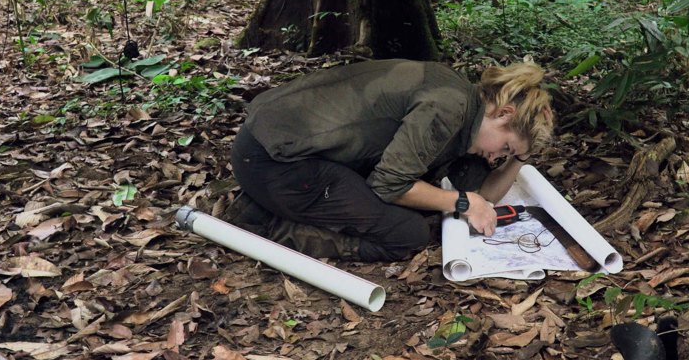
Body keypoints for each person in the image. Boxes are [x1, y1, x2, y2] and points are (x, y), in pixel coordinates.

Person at [226, 58, 554, 262]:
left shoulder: (465, 107)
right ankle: (262, 221)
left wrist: (522, 158)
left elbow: (487, 194)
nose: (498, 157)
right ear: (503, 113)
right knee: (405, 234)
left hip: (292, 147)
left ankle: (274, 204)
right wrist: (463, 203)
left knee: (443, 192)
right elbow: (390, 185)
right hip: (275, 160)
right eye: (506, 147)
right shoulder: (447, 108)